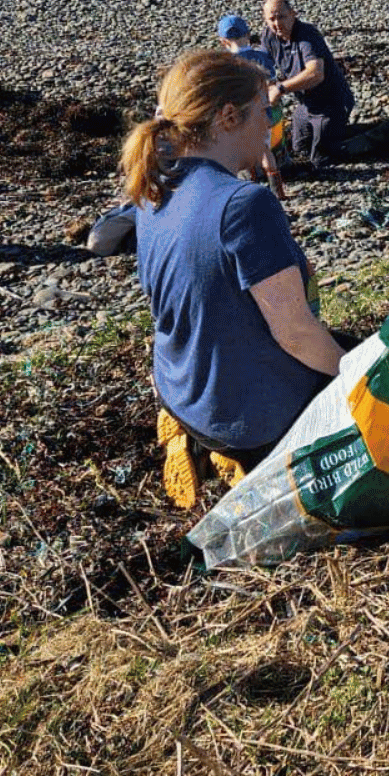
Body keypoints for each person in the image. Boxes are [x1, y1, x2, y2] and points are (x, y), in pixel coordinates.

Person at [120, 49, 345, 510]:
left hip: (178, 384)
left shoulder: (152, 189)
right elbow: (297, 334)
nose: (271, 125)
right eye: (266, 111)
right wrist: (362, 377)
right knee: (355, 368)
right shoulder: (244, 205)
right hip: (247, 417)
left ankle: (194, 437)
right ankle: (244, 460)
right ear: (227, 117)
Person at [260, 0, 355, 166]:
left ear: (293, 14)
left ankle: (366, 139)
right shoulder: (269, 36)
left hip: (332, 103)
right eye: (271, 19)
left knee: (321, 160)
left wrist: (280, 89)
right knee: (299, 148)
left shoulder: (307, 35)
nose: (277, 23)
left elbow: (315, 73)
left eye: (281, 17)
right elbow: (263, 67)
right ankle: (337, 134)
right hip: (306, 104)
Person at [217, 13, 286, 199]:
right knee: (265, 149)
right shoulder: (262, 56)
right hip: (265, 112)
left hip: (242, 114)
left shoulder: (226, 64)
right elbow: (272, 84)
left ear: (223, 41)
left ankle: (252, 186)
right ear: (248, 35)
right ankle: (277, 190)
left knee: (246, 149)